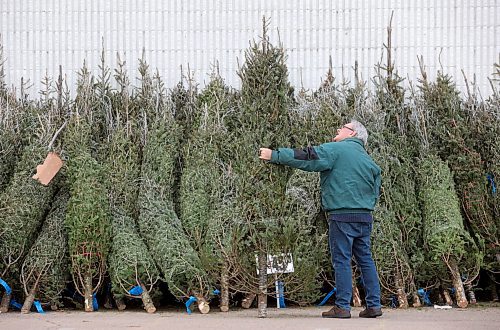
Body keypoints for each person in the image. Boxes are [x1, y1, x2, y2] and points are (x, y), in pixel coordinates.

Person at [259, 120, 382, 319]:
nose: (338, 128)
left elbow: (307, 156)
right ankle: (374, 305)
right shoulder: (368, 160)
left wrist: (275, 155)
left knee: (341, 260)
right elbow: (376, 188)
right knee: (365, 259)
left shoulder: (336, 150)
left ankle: (342, 307)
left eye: (343, 127)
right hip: (365, 216)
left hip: (342, 215)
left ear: (352, 134)